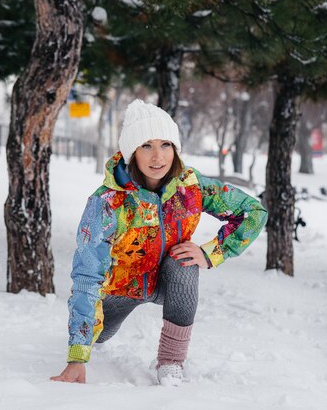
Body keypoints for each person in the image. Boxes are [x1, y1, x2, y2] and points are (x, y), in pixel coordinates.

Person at [50, 100, 268, 386]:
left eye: (165, 144)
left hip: (169, 282)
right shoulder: (108, 203)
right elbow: (87, 275)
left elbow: (253, 211)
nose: (157, 157)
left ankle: (171, 362)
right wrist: (77, 356)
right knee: (100, 336)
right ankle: (93, 337)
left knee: (185, 264)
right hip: (120, 291)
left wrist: (212, 252)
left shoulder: (191, 186)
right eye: (146, 146)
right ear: (131, 153)